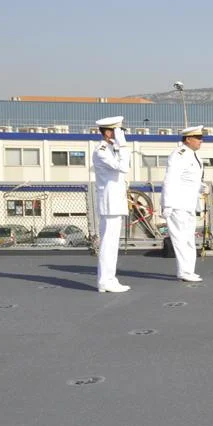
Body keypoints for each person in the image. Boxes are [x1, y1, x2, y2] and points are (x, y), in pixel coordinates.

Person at [161, 125, 208, 282]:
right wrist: (167, 204)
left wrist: (202, 186)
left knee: (188, 238)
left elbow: (190, 178)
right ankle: (184, 271)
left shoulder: (193, 155)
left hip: (189, 204)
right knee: (180, 239)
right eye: (198, 138)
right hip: (177, 203)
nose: (201, 141)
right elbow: (171, 179)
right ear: (188, 139)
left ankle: (189, 270)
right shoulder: (179, 154)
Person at [91, 115, 132, 293]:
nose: (121, 134)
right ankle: (105, 281)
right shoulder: (101, 150)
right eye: (118, 130)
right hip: (109, 202)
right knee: (108, 242)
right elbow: (123, 167)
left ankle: (110, 278)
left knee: (112, 243)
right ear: (109, 132)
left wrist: (119, 146)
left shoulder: (110, 148)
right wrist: (123, 146)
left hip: (116, 201)